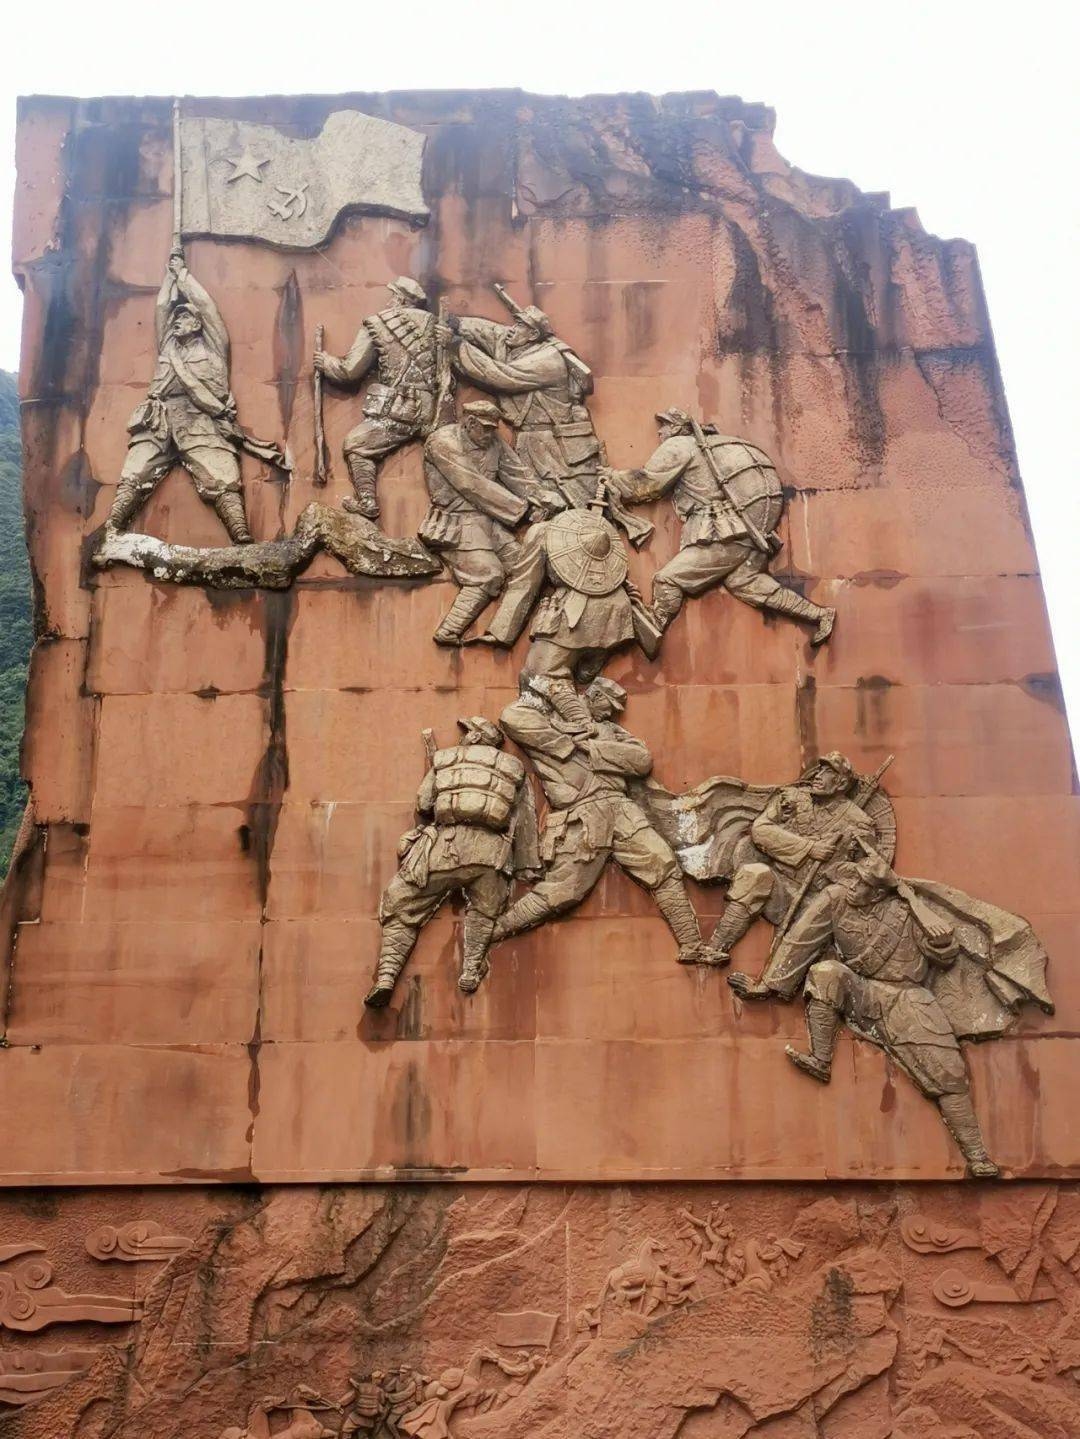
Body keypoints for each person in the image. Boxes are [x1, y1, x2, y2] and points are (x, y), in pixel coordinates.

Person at [734, 843, 1007, 1176]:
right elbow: (801, 941)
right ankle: (820, 1059)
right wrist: (767, 986)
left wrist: (914, 903)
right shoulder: (836, 899)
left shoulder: (906, 911)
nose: (854, 885)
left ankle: (977, 1157)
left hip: (907, 998)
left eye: (863, 883)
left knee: (949, 1074)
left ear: (880, 892)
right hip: (861, 991)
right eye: (854, 877)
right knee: (826, 973)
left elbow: (945, 956)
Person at [493, 677, 712, 965]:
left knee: (663, 864)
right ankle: (494, 931)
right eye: (608, 706)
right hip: (583, 816)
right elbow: (511, 717)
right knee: (564, 891)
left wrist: (592, 745)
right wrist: (568, 738)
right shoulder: (551, 722)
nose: (611, 713)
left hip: (622, 810)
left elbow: (641, 760)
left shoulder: (609, 730)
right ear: (593, 696)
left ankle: (692, 945)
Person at [603, 408, 835, 642]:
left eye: (664, 426)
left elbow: (649, 484)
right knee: (748, 583)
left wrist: (610, 477)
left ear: (676, 428)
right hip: (747, 531)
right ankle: (820, 615)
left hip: (721, 534)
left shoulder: (678, 445)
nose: (660, 432)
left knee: (668, 578)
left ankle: (655, 624)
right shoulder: (706, 446)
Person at [107, 250, 287, 544]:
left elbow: (207, 307)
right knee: (134, 471)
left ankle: (240, 534)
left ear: (197, 324)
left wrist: (183, 276)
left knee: (222, 474)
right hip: (160, 419)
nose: (177, 321)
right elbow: (162, 307)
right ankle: (112, 528)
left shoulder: (214, 347)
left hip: (201, 419)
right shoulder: (168, 345)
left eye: (184, 317)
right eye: (176, 318)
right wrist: (170, 277)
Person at [443, 303, 651, 546]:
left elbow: (503, 375)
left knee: (577, 508)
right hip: (530, 441)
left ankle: (593, 559)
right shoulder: (519, 343)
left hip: (559, 448)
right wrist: (458, 324)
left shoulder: (549, 359)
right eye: (515, 323)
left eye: (520, 325)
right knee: (540, 507)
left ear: (533, 334)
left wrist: (456, 346)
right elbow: (492, 332)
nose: (512, 329)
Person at [366, 718, 539, 1008]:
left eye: (468, 732)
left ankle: (386, 976)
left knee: (401, 902)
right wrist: (526, 865)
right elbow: (525, 819)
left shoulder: (444, 759)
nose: (464, 736)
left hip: (446, 847)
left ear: (476, 737)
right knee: (484, 912)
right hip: (490, 854)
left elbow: (424, 804)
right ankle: (470, 969)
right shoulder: (515, 767)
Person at [717, 752, 879, 970]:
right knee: (755, 874)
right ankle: (717, 947)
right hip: (779, 887)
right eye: (819, 769)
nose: (818, 776)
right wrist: (810, 848)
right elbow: (761, 830)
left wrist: (838, 869)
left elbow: (868, 873)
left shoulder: (859, 822)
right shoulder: (791, 798)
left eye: (827, 772)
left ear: (841, 783)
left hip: (817, 901)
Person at [419, 401, 550, 645]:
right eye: (486, 428)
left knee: (527, 564)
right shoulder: (442, 441)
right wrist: (523, 510)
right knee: (487, 574)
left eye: (493, 429)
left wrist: (543, 498)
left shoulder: (493, 441)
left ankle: (502, 631)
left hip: (492, 524)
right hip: (456, 524)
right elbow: (471, 484)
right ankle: (449, 631)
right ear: (470, 423)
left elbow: (516, 473)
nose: (490, 434)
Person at [315, 277, 437, 519]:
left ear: (400, 299)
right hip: (432, 409)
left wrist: (326, 362)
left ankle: (367, 502)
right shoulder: (436, 325)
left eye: (393, 296)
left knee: (356, 445)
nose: (389, 301)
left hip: (400, 410)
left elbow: (350, 371)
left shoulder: (379, 323)